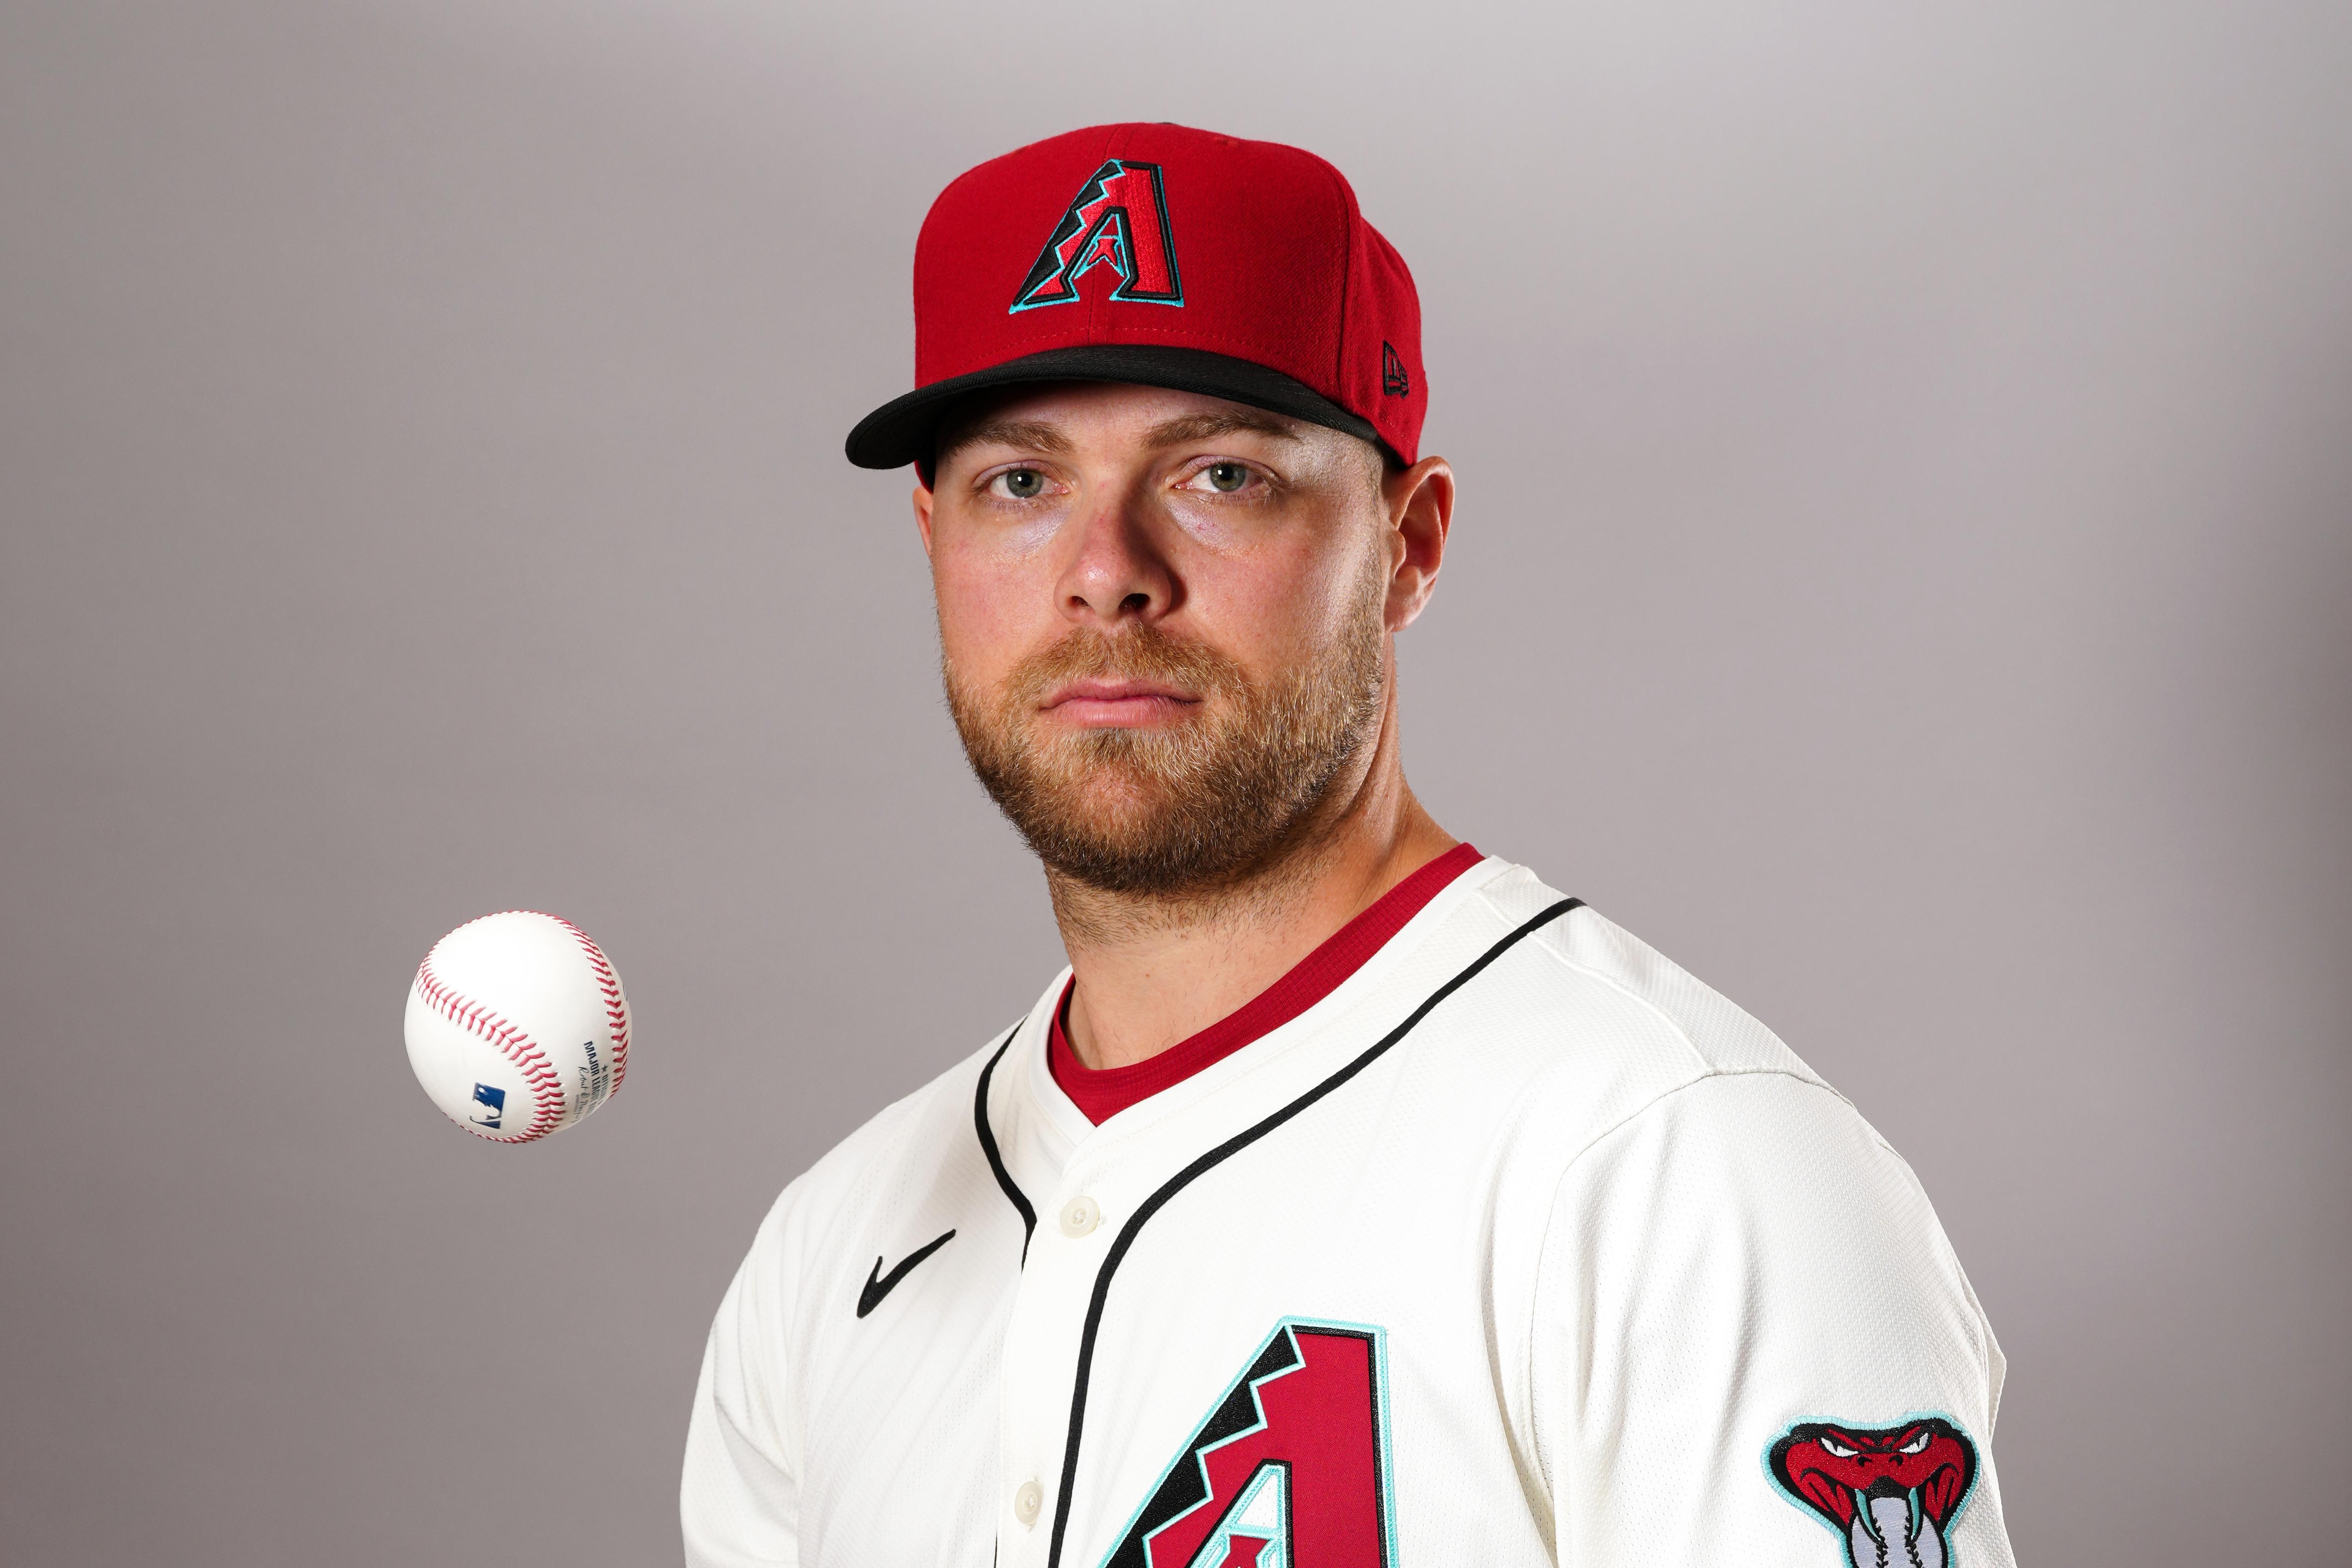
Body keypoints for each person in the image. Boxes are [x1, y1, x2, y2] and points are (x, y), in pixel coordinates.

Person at [681, 122, 2017, 1568]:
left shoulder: (1679, 1168)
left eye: (1222, 476)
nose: (1106, 573)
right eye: (1021, 483)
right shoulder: (829, 1251)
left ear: (1410, 542)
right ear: (931, 536)